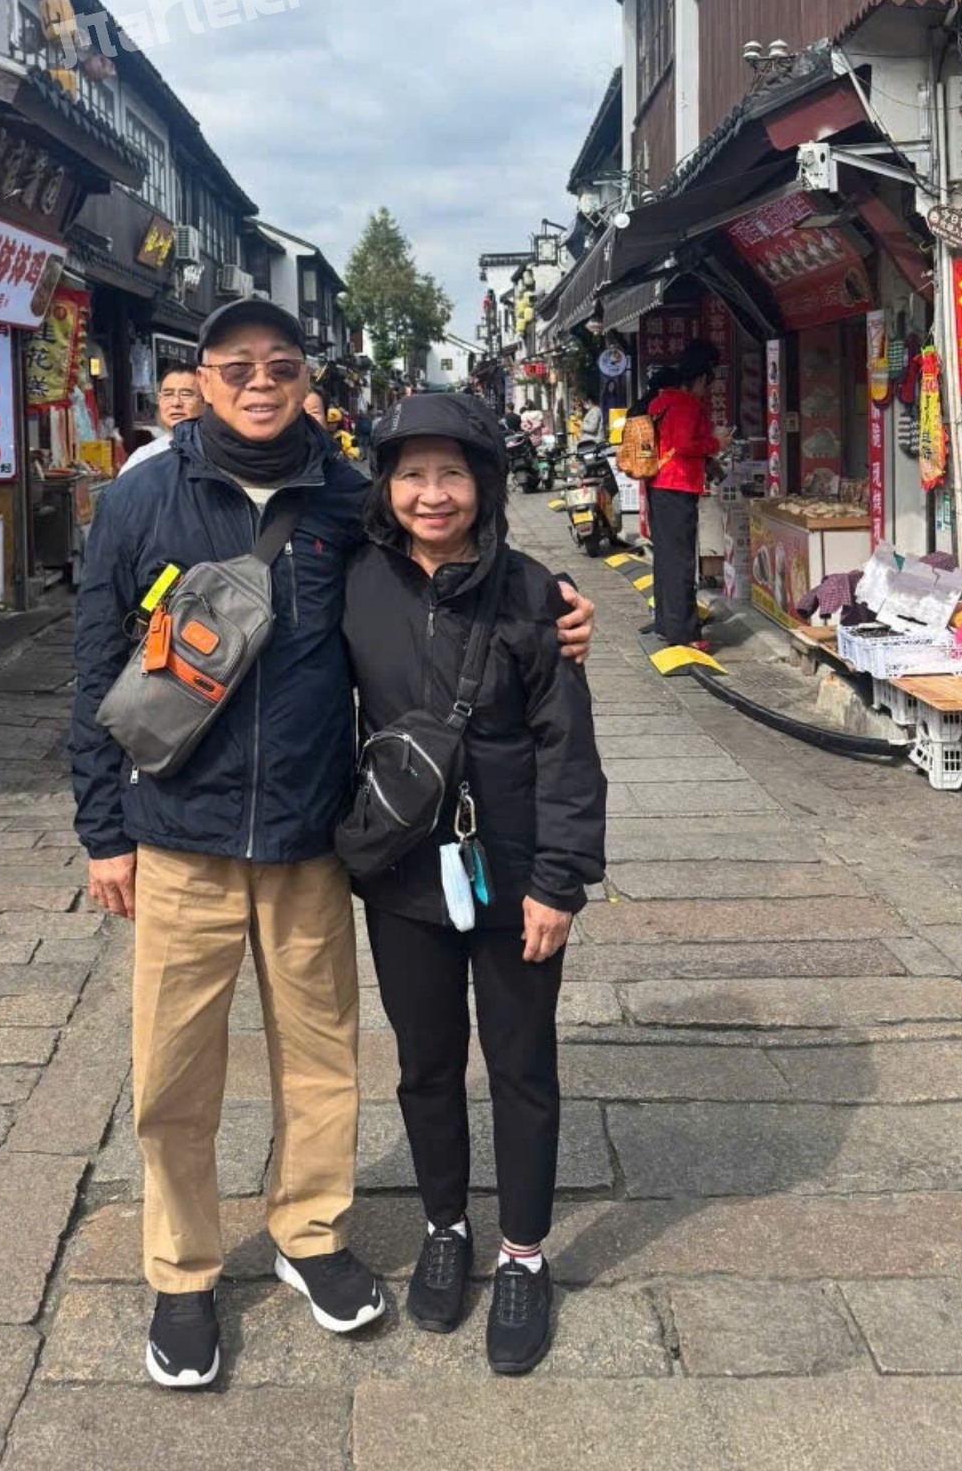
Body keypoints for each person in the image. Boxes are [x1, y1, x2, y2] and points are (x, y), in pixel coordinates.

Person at [70, 303, 596, 1392]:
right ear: (202, 378)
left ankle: (310, 1233)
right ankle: (182, 1270)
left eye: (281, 364)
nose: (260, 383)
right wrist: (101, 829)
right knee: (173, 1069)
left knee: (320, 1058)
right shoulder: (140, 497)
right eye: (237, 367)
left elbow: (444, 566)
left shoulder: (346, 495)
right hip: (179, 834)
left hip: (313, 835)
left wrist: (555, 608)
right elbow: (90, 668)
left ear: (308, 377)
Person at [344, 395, 606, 1375]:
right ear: (386, 486)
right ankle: (445, 1227)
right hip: (403, 870)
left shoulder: (534, 592)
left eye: (451, 473)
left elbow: (567, 746)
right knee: (424, 1062)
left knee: (521, 1063)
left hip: (514, 870)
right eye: (412, 474)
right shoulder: (354, 582)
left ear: (484, 486)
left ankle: (524, 1252)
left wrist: (559, 881)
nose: (432, 494)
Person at [646, 340, 724, 650]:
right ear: (702, 378)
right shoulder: (687, 405)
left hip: (657, 484)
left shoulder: (660, 401)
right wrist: (716, 444)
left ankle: (666, 623)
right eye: (708, 382)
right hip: (677, 486)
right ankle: (685, 632)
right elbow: (684, 445)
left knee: (665, 558)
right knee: (681, 561)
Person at [122, 360, 205, 475]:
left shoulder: (218, 454)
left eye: (186, 395)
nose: (176, 403)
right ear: (159, 400)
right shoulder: (143, 458)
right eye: (168, 395)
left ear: (205, 400)